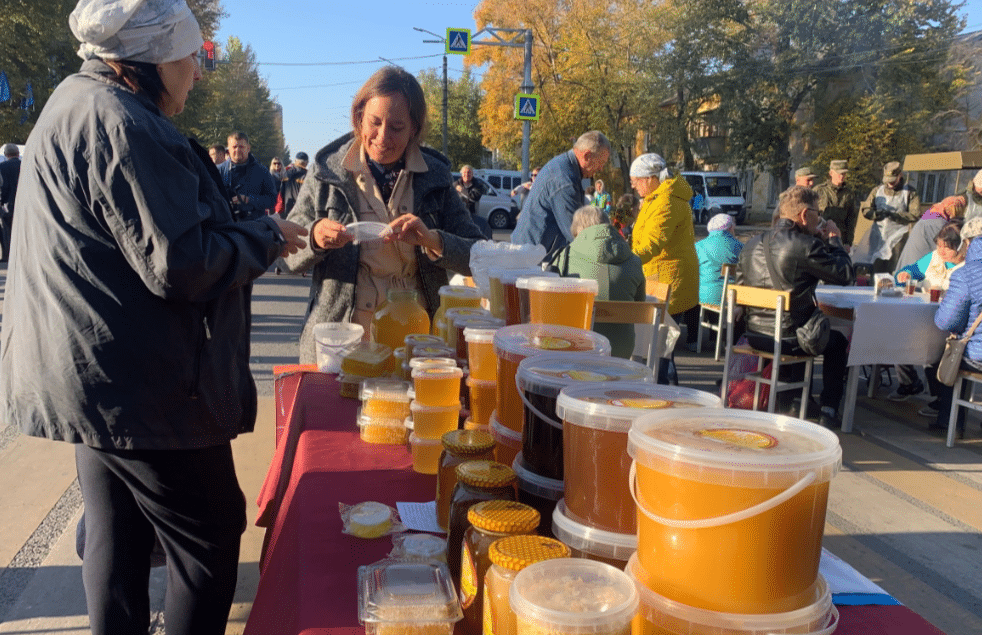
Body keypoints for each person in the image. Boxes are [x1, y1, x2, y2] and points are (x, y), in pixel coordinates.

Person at [0, 2, 308, 634]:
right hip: (137, 386)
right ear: (151, 56)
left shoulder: (75, 99)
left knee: (118, 536)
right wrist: (269, 236)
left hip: (93, 376)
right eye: (191, 57)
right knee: (210, 535)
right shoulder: (122, 122)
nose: (197, 74)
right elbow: (181, 262)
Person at [283, 66, 486, 364]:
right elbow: (288, 252)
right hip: (340, 345)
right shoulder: (328, 172)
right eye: (374, 123)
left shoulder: (436, 176)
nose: (382, 137)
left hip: (416, 344)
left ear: (414, 129)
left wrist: (433, 240)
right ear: (358, 118)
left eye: (397, 127)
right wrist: (314, 237)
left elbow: (478, 256)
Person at [737, 185, 855, 428]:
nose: (819, 219)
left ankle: (795, 399)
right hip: (789, 338)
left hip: (755, 335)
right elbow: (845, 275)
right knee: (836, 342)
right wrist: (835, 240)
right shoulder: (805, 245)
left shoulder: (751, 244)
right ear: (804, 215)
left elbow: (740, 287)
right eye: (818, 214)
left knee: (807, 328)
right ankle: (828, 409)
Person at [629, 153, 699, 384]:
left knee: (661, 345)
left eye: (636, 179)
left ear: (650, 178)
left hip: (668, 280)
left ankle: (667, 394)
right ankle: (667, 391)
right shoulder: (657, 198)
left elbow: (652, 243)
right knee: (661, 345)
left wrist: (625, 260)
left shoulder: (666, 201)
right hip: (661, 276)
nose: (632, 184)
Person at [553, 205, 645, 358]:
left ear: (578, 229)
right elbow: (639, 306)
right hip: (622, 350)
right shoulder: (634, 261)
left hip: (577, 347)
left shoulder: (564, 257)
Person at [890, 220, 965, 405]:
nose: (941, 251)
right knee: (897, 336)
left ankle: (939, 397)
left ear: (960, 247)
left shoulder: (966, 268)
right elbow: (911, 271)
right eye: (939, 245)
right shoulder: (933, 258)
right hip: (923, 315)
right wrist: (904, 275)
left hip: (948, 321)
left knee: (933, 351)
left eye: (947, 247)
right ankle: (909, 383)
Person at [511, 130, 611, 259]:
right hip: (533, 256)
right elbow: (577, 232)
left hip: (532, 249)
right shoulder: (564, 180)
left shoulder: (564, 167)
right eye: (601, 162)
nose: (601, 169)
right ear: (587, 156)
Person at [931, 216, 982, 436]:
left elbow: (946, 321)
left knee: (952, 353)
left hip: (977, 357)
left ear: (968, 242)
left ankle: (949, 422)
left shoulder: (966, 274)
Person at [856, 161, 921, 273]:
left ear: (899, 175)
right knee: (875, 269)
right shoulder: (877, 191)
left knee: (893, 270)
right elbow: (865, 209)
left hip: (898, 237)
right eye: (887, 180)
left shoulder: (910, 192)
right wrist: (875, 214)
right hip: (877, 237)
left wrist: (894, 215)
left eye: (892, 180)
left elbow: (915, 214)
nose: (890, 183)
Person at [895, 195, 965, 273]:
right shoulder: (939, 224)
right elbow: (944, 254)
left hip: (908, 264)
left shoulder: (929, 216)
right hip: (916, 269)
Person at [218, 131, 278, 219]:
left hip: (254, 225)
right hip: (225, 224)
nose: (237, 150)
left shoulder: (262, 171)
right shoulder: (218, 171)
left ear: (248, 148)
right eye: (234, 147)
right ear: (228, 150)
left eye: (241, 147)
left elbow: (272, 200)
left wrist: (248, 200)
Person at [695, 213, 743, 307]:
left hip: (703, 298)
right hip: (731, 299)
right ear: (730, 228)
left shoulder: (698, 246)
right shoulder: (740, 246)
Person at [814, 160, 859, 247]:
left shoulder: (848, 194)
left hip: (840, 239)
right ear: (831, 173)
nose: (842, 176)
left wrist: (848, 243)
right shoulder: (819, 190)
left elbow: (850, 220)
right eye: (839, 173)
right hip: (822, 237)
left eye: (844, 173)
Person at [0, 143, 21, 261]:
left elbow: (2, 187)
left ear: (6, 154)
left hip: (7, 204)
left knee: (6, 230)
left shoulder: (2, 167)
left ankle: (7, 256)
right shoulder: (25, 165)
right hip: (24, 203)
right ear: (18, 154)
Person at [275, 151, 309, 216]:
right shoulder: (308, 176)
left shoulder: (286, 173)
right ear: (306, 163)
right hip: (301, 212)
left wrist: (278, 210)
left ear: (295, 161)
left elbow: (280, 194)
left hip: (286, 210)